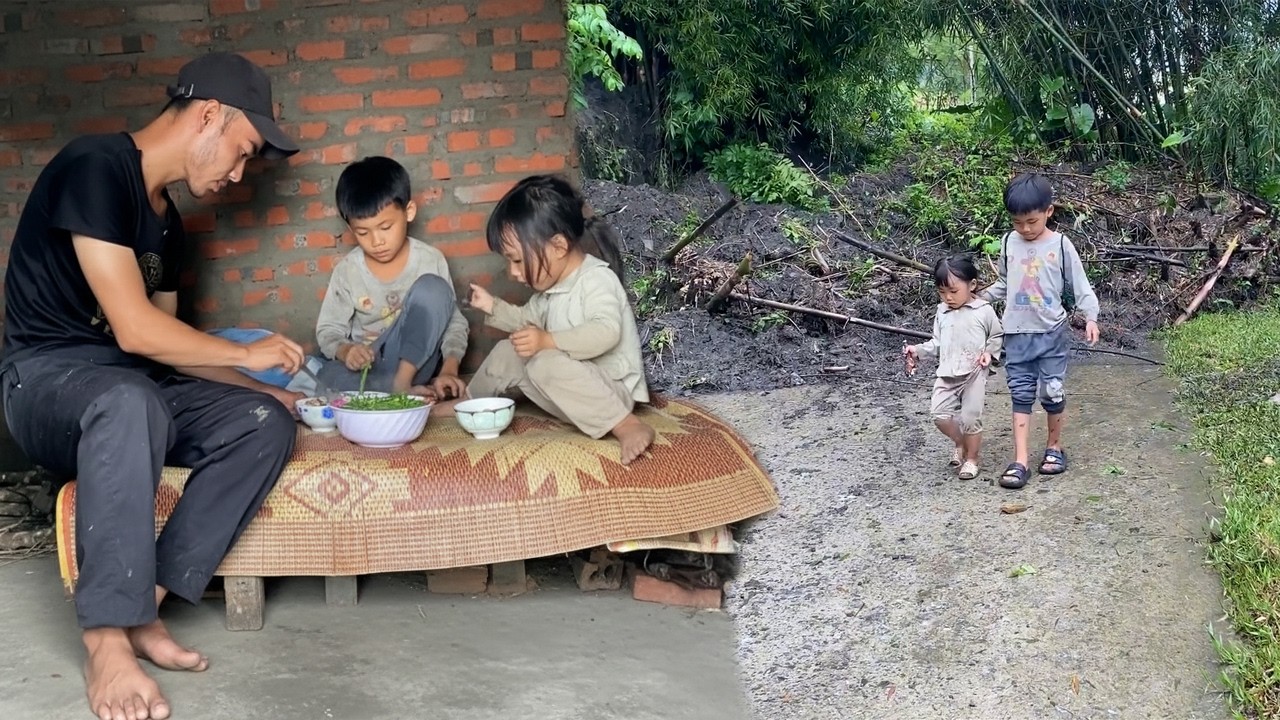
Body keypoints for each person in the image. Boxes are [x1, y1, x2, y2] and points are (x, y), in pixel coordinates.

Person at [0, 53, 304, 720]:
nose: (238, 173)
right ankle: (106, 640)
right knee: (128, 398)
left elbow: (169, 349)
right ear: (208, 115)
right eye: (243, 152)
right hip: (46, 382)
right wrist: (246, 352)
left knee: (263, 424)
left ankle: (146, 607)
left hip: (130, 391)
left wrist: (263, 392)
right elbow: (136, 331)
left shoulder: (168, 225)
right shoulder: (94, 167)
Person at [435, 175, 654, 464]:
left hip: (609, 396)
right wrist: (491, 305)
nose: (513, 272)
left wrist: (548, 341)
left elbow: (606, 332)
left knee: (544, 361)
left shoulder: (596, 280)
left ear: (558, 246)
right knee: (509, 349)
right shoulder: (550, 292)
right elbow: (525, 323)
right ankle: (469, 402)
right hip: (570, 397)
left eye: (516, 260)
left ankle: (626, 425)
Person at [980, 173, 1100, 489]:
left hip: (1051, 333)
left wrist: (1090, 316)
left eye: (1031, 221)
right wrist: (978, 298)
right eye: (1018, 223)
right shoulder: (1009, 242)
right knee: (1020, 393)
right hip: (1016, 333)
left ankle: (1054, 447)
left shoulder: (1060, 245)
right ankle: (1020, 460)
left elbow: (1080, 284)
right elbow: (1004, 283)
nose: (1025, 229)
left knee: (1051, 391)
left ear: (1049, 211)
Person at [314, 156, 469, 398]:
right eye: (363, 232)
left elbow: (453, 323)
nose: (377, 241)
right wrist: (346, 351)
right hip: (371, 371)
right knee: (325, 378)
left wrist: (449, 370)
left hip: (418, 364)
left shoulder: (429, 260)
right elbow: (328, 330)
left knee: (434, 288)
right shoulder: (348, 270)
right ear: (350, 229)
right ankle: (397, 392)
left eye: (385, 228)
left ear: (409, 212)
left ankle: (401, 385)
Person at [905, 255, 1003, 480]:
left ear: (972, 285)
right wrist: (917, 350)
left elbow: (996, 335)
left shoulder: (983, 310)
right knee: (939, 415)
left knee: (970, 418)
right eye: (942, 292)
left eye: (953, 291)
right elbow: (937, 343)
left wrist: (989, 353)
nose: (948, 297)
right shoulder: (942, 311)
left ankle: (972, 459)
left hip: (974, 373)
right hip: (947, 372)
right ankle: (960, 442)